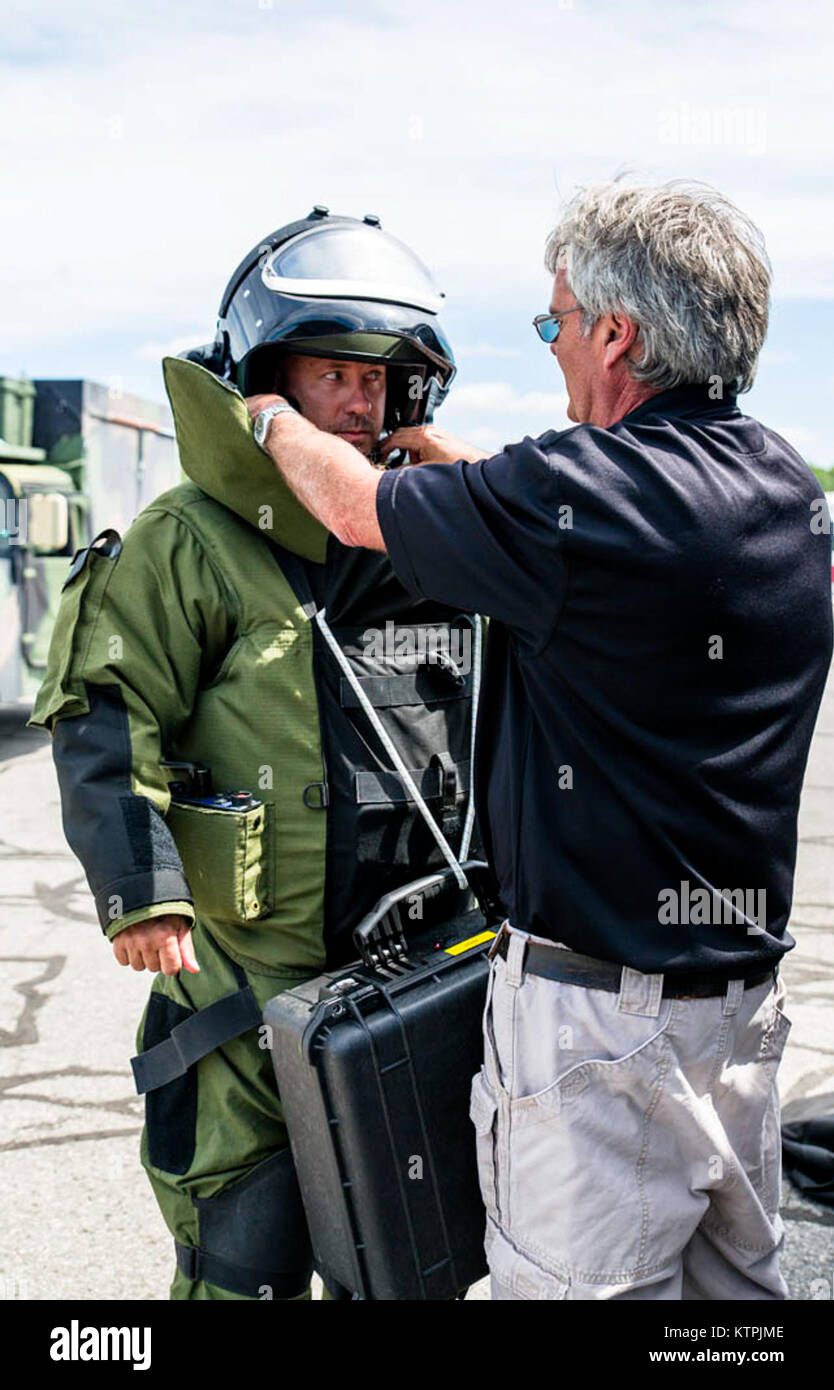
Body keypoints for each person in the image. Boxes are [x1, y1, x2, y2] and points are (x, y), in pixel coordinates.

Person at [237, 180, 834, 1300]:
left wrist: (272, 417)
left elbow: (363, 511)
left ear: (618, 332)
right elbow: (579, 526)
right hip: (741, 1018)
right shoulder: (779, 486)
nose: (552, 344)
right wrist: (453, 461)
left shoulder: (579, 499)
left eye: (555, 321)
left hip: (601, 1035)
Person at [29, 208, 483, 1300]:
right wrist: (144, 889)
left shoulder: (429, 537)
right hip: (248, 994)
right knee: (245, 1255)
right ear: (266, 379)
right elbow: (103, 708)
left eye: (381, 381)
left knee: (418, 1260)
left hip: (420, 973)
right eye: (336, 375)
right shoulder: (189, 541)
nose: (364, 404)